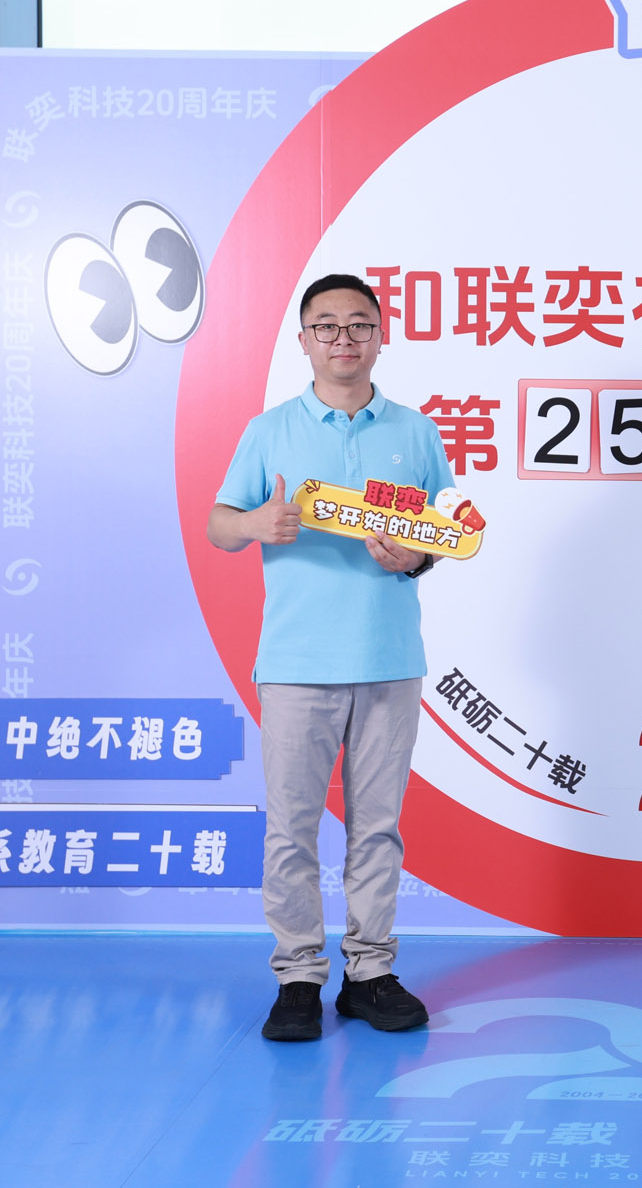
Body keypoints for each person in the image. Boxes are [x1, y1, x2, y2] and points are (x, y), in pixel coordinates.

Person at [207, 273, 452, 1041]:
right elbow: (219, 522)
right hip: (296, 661)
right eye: (327, 325)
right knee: (292, 827)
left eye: (358, 325)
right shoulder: (270, 430)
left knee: (378, 826)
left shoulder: (415, 432)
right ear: (304, 339)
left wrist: (414, 556)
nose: (343, 338)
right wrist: (256, 523)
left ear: (381, 336)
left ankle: (369, 973)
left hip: (389, 656)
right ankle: (298, 977)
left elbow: (440, 532)